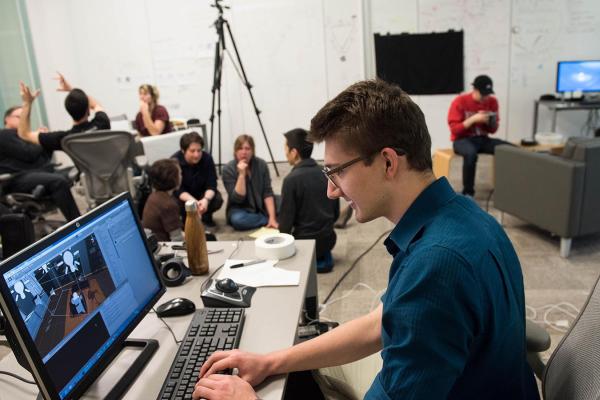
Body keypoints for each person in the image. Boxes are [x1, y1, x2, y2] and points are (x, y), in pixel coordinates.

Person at [192, 80, 538, 400]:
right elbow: (381, 322)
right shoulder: (464, 215)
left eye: (337, 171)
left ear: (388, 162)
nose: (330, 190)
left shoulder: (436, 265)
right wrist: (270, 361)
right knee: (296, 369)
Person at [278, 128, 339, 273]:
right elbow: (335, 214)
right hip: (328, 240)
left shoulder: (290, 181)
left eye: (286, 148)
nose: (285, 153)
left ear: (294, 152)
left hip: (303, 245)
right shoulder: (326, 173)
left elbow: (285, 227)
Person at [1, 111, 80, 221]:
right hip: (17, 178)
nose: (23, 120)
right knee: (58, 181)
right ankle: (77, 223)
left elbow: (43, 158)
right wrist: (39, 139)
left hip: (37, 173)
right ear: (7, 119)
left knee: (77, 169)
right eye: (20, 117)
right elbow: (28, 154)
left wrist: (45, 139)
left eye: (26, 117)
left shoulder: (24, 136)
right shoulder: (5, 135)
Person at [447, 74, 511, 196]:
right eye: (483, 94)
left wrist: (490, 121)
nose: (485, 98)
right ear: (475, 90)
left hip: (482, 139)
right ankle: (468, 193)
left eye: (488, 94)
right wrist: (473, 119)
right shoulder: (460, 101)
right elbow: (455, 130)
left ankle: (509, 189)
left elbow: (493, 130)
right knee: (471, 154)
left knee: (509, 150)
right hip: (461, 140)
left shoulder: (492, 102)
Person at [17, 74, 110, 152]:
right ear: (88, 110)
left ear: (68, 111)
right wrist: (71, 90)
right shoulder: (102, 123)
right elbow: (95, 105)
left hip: (87, 174)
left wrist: (27, 103)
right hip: (113, 172)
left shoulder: (65, 139)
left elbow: (24, 134)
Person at [222, 135, 278, 231]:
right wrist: (241, 175)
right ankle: (265, 219)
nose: (244, 152)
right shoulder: (228, 169)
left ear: (253, 151)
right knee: (238, 220)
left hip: (261, 204)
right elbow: (237, 199)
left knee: (285, 201)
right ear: (235, 151)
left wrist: (272, 217)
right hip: (240, 209)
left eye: (247, 149)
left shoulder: (261, 164)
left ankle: (270, 218)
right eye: (240, 148)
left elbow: (267, 192)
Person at [172, 131, 223, 228]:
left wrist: (205, 200)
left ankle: (206, 218)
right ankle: (186, 221)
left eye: (199, 150)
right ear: (183, 150)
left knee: (217, 199)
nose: (196, 155)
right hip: (184, 197)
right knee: (174, 203)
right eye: (192, 151)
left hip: (202, 194)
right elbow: (177, 189)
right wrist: (193, 202)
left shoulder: (207, 158)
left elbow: (212, 184)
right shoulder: (175, 161)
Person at [142, 159, 184, 242]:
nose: (182, 176)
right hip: (164, 246)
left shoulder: (154, 195)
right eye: (180, 174)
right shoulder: (168, 205)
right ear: (173, 179)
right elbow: (177, 239)